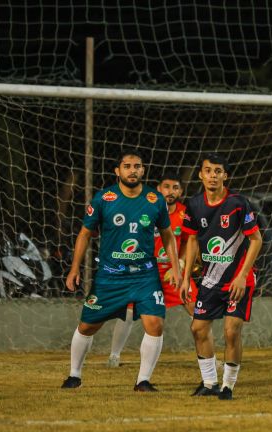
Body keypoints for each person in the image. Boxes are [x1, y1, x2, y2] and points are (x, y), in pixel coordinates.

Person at [60, 150, 181, 392]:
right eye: (127, 166)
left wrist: (176, 267)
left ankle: (143, 381)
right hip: (110, 275)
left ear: (143, 170)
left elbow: (168, 235)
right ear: (118, 171)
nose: (132, 170)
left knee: (155, 324)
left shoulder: (155, 199)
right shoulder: (104, 198)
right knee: (87, 326)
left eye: (137, 166)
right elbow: (85, 234)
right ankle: (74, 375)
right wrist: (74, 268)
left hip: (145, 275)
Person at [180, 153, 263, 400]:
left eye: (218, 171)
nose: (213, 175)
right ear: (201, 175)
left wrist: (242, 275)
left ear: (225, 176)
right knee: (198, 328)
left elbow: (256, 239)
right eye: (208, 170)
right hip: (211, 279)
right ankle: (209, 383)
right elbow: (192, 240)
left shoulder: (238, 203)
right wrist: (186, 278)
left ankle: (227, 386)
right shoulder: (194, 205)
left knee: (231, 331)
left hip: (239, 279)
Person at [107, 171, 199, 367]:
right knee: (129, 312)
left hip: (173, 272)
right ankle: (114, 357)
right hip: (146, 271)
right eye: (166, 187)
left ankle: (208, 358)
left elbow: (190, 242)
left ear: (181, 191)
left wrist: (180, 264)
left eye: (175, 188)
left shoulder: (186, 213)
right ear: (158, 189)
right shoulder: (145, 208)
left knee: (197, 309)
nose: (170, 191)